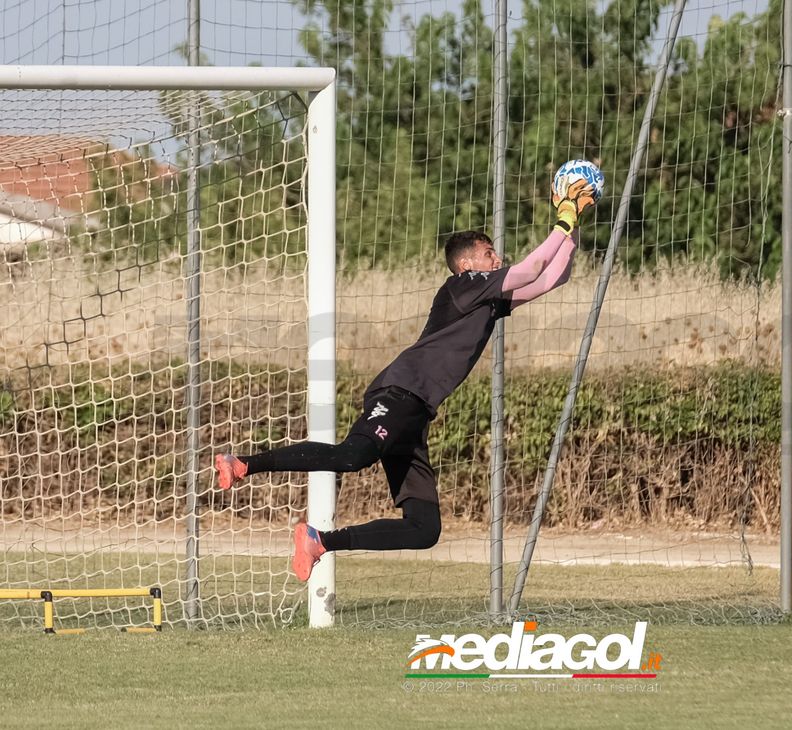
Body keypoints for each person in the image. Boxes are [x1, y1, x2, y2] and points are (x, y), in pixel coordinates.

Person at [213, 179, 597, 581]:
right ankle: (242, 464)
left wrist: (575, 222)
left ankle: (320, 542)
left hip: (415, 412)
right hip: (399, 392)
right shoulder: (462, 287)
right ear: (467, 265)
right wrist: (562, 219)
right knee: (352, 456)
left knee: (423, 528)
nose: (497, 258)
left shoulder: (488, 300)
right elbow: (531, 268)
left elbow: (553, 277)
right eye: (489, 254)